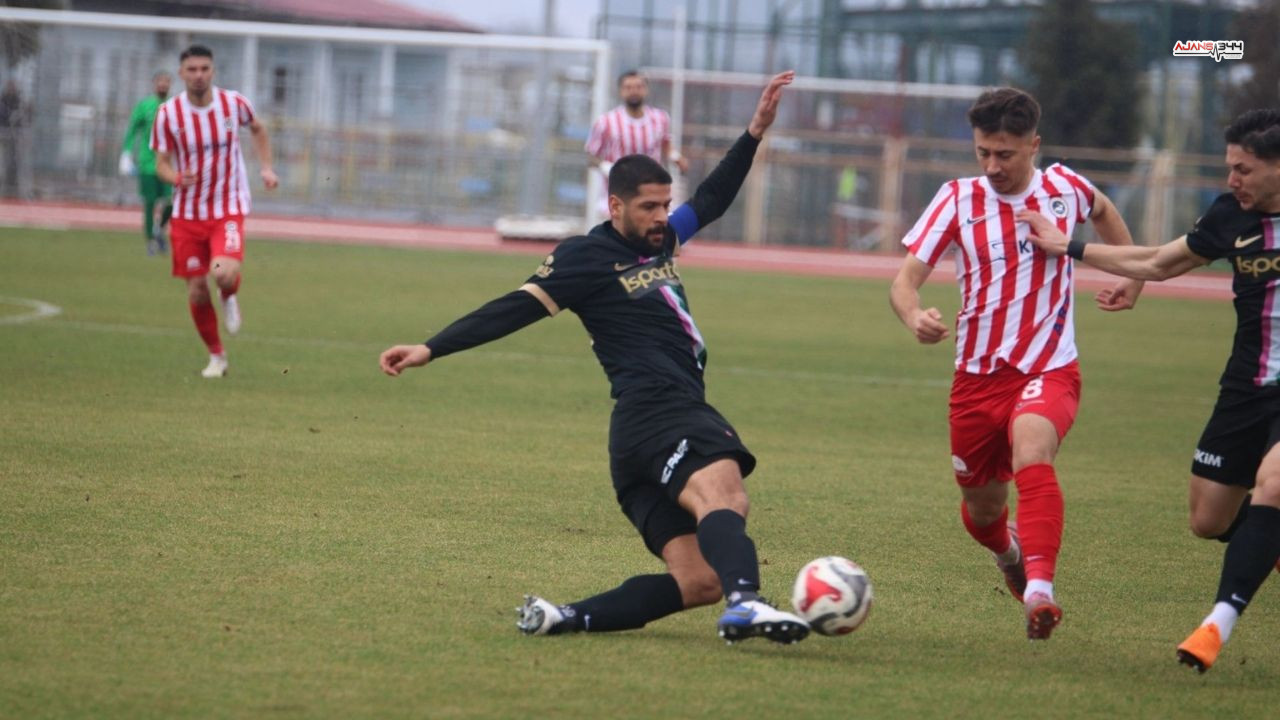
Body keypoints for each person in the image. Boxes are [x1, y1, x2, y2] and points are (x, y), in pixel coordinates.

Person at [380, 72, 808, 645]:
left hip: (637, 437)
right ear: (615, 206)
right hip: (661, 411)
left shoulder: (662, 242)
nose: (662, 217)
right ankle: (748, 603)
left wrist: (754, 132)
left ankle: (564, 616)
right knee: (726, 492)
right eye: (649, 207)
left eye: (665, 205)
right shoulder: (587, 257)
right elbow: (513, 308)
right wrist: (431, 348)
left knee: (698, 580)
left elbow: (711, 199)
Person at [1021, 108, 1280, 671]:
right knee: (1208, 519)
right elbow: (1160, 261)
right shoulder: (1229, 216)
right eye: (1228, 167)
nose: (1232, 179)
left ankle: (1217, 626)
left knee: (1273, 481)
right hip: (1245, 387)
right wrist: (1071, 248)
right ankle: (1267, 536)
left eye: (1243, 169)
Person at [889, 87, 1144, 640]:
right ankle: (1010, 554)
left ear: (1035, 145)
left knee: (1033, 449)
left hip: (1049, 368)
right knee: (982, 511)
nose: (992, 165)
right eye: (983, 152)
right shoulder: (957, 197)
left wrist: (1132, 276)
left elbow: (1103, 210)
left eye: (1005, 154)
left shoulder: (1065, 188)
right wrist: (914, 318)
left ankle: (1040, 593)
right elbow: (904, 282)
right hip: (976, 379)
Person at [151, 45, 278, 378]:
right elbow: (160, 165)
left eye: (204, 68)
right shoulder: (168, 115)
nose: (198, 75)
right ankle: (217, 357)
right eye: (192, 69)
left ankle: (229, 294)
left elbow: (259, 129)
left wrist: (266, 168)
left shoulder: (233, 103)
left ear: (213, 71)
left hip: (228, 208)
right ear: (181, 74)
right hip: (187, 214)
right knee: (195, 288)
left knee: (222, 272)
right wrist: (177, 177)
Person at [585, 70, 689, 217]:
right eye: (628, 87)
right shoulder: (606, 122)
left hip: (652, 193)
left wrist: (676, 157)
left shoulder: (660, 118)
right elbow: (591, 155)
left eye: (638, 87)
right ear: (621, 91)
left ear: (646, 90)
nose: (634, 91)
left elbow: (665, 144)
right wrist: (608, 167)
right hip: (618, 194)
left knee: (656, 235)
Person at [122, 71, 174, 255]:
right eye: (160, 81)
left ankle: (159, 229)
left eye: (166, 82)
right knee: (150, 203)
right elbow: (132, 130)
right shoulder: (144, 106)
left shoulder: (175, 106)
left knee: (172, 202)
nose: (163, 85)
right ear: (154, 84)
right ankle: (151, 241)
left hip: (168, 165)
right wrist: (126, 154)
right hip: (147, 164)